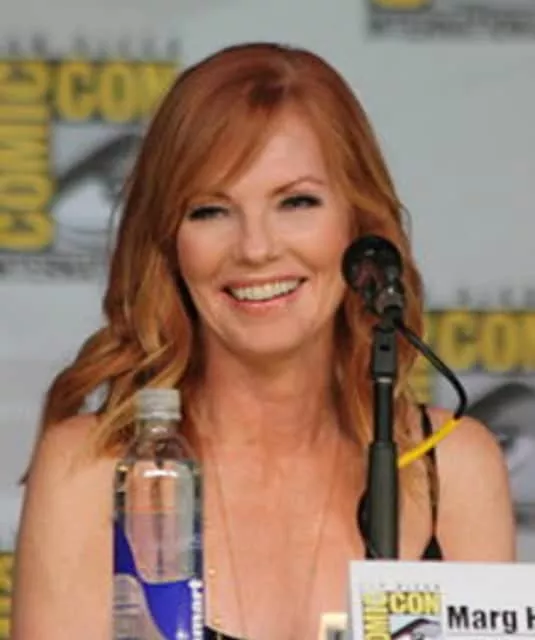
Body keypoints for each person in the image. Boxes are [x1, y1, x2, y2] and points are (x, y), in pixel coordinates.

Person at [10, 42, 515, 640]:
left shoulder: (451, 468)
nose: (255, 249)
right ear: (168, 242)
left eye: (296, 202)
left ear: (358, 226)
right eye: (210, 210)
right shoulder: (92, 470)